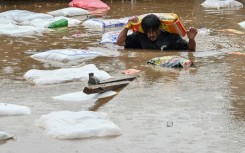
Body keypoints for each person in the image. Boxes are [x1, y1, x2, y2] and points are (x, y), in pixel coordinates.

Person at [116, 14, 198, 51]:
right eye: (149, 32)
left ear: (159, 28)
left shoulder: (171, 38)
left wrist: (191, 39)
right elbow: (120, 42)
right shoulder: (139, 37)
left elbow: (190, 50)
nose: (152, 34)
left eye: (154, 31)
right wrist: (128, 26)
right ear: (144, 31)